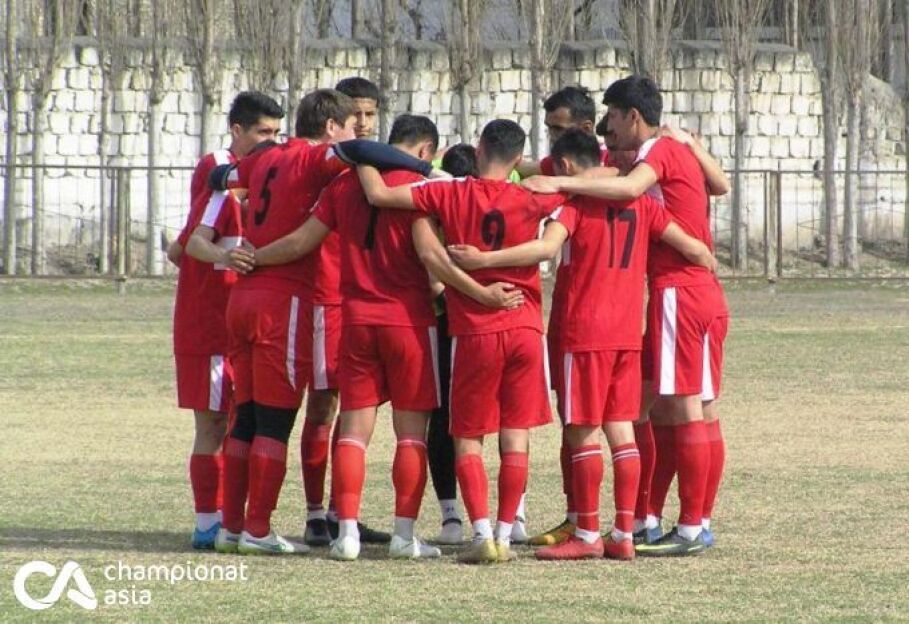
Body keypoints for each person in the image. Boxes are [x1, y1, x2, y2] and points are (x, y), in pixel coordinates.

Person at [248, 115, 521, 561]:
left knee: (353, 431)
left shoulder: (342, 185)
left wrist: (254, 257)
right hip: (409, 322)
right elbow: (433, 257)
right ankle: (403, 536)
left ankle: (346, 534)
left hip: (357, 320)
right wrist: (480, 293)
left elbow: (300, 242)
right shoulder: (419, 189)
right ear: (425, 151)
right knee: (411, 435)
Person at [448, 129, 716, 560]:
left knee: (582, 430)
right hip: (627, 334)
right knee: (622, 429)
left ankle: (588, 533)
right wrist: (706, 266)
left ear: (567, 166)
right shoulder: (644, 204)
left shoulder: (573, 206)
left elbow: (543, 249)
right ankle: (623, 533)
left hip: (585, 331)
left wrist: (484, 260)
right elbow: (694, 247)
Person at [211, 89, 439, 555]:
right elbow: (358, 155)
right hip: (287, 298)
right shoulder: (318, 161)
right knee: (276, 420)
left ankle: (231, 527)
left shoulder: (263, 157)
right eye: (352, 123)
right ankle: (261, 529)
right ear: (332, 128)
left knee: (246, 418)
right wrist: (426, 169)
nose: (359, 130)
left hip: (244, 296)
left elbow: (221, 176)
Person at [523, 75, 731, 556]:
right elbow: (719, 185)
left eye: (612, 117)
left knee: (679, 409)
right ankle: (644, 520)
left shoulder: (651, 156)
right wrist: (695, 147)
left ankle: (688, 527)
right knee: (651, 410)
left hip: (673, 294)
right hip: (686, 292)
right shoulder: (667, 153)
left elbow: (629, 188)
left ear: (633, 116)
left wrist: (559, 183)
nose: (607, 128)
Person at [356, 119, 566, 564]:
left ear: (477, 147)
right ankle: (507, 533)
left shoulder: (448, 192)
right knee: (516, 434)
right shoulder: (533, 197)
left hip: (474, 329)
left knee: (468, 437)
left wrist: (358, 155)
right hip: (525, 325)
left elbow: (379, 196)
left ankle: (481, 533)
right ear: (517, 159)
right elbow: (583, 181)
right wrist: (543, 173)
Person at [168, 91, 283, 550]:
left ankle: (234, 520)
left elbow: (180, 246)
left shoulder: (265, 177)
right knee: (214, 424)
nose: (271, 141)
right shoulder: (219, 169)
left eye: (277, 133)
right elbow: (194, 242)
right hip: (209, 320)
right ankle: (207, 521)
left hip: (247, 319)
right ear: (237, 131)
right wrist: (219, 256)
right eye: (263, 132)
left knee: (244, 423)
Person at [297, 76, 390, 547]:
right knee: (323, 403)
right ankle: (316, 515)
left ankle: (342, 511)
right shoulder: (325, 162)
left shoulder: (372, 168)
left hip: (360, 301)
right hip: (324, 297)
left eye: (371, 115)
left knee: (354, 407)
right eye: (357, 115)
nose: (365, 123)